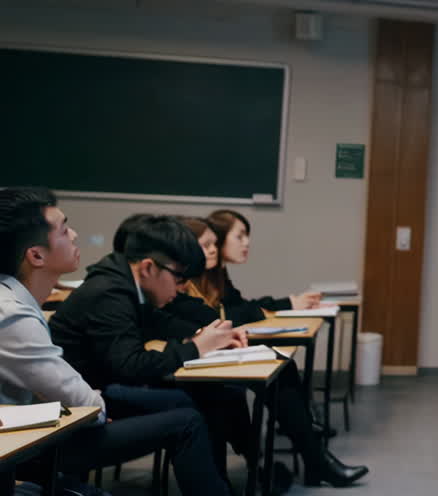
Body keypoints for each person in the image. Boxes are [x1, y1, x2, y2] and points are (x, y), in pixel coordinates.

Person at [0, 187, 230, 495]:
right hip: (33, 443)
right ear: (36, 254)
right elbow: (80, 394)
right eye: (65, 229)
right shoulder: (14, 315)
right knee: (187, 419)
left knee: (189, 404)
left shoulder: (20, 300)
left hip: (48, 422)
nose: (75, 234)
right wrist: (99, 408)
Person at [163, 215, 369, 488]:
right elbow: (221, 316)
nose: (212, 250)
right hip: (186, 365)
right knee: (241, 386)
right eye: (207, 244)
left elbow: (237, 309)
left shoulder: (214, 276)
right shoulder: (178, 282)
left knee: (281, 367)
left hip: (208, 357)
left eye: (214, 244)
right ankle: (300, 456)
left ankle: (308, 455)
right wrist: (285, 303)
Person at [199, 209, 321, 325]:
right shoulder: (202, 275)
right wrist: (289, 304)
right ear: (220, 238)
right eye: (239, 237)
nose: (247, 243)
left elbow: (241, 306)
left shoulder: (219, 272)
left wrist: (290, 303)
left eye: (247, 236)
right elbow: (227, 315)